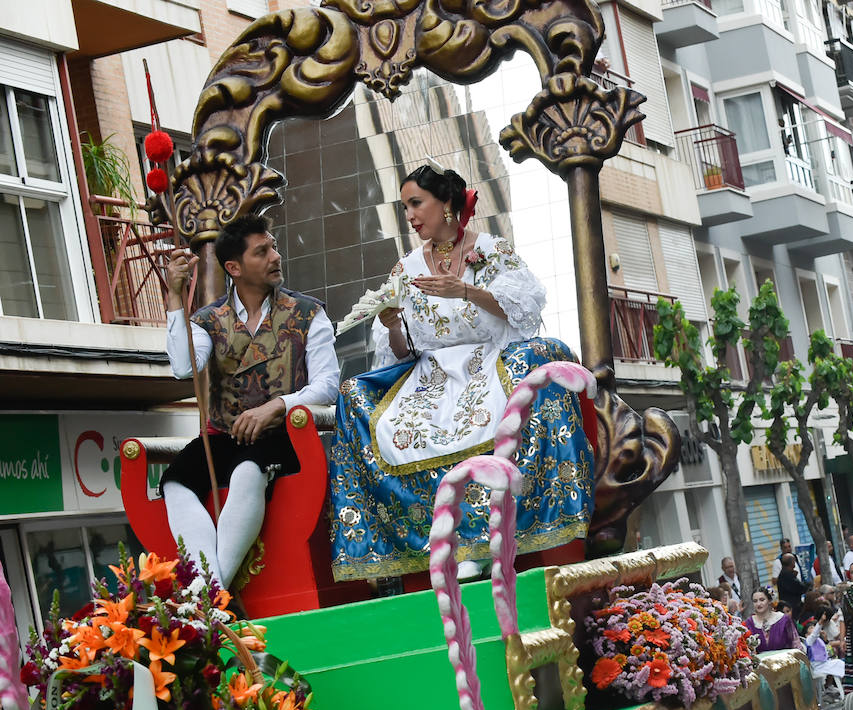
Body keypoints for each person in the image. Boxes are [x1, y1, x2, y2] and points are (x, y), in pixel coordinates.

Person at [329, 163, 591, 581]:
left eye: (417, 203)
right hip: (431, 375)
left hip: (489, 361)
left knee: (533, 368)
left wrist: (465, 290)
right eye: (405, 207)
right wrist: (393, 323)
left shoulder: (490, 250)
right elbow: (401, 352)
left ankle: (495, 535)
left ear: (446, 204)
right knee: (358, 396)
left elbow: (522, 309)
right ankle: (441, 542)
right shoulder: (407, 268)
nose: (411, 216)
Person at [160, 215, 340, 589]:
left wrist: (279, 406)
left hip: (284, 438)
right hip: (224, 439)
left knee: (247, 471)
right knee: (175, 481)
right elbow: (183, 368)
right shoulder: (209, 320)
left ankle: (208, 594)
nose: (276, 256)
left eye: (273, 246)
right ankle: (206, 585)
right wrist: (175, 298)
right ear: (234, 267)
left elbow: (328, 386)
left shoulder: (308, 313)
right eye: (262, 251)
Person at [744, 588, 802, 652]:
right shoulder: (748, 623)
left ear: (769, 600)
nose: (758, 604)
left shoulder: (783, 619)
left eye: (762, 600)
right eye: (755, 601)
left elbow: (795, 643)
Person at [775, 553, 807, 617]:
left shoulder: (785, 574)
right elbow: (799, 588)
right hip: (792, 607)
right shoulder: (787, 576)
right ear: (792, 563)